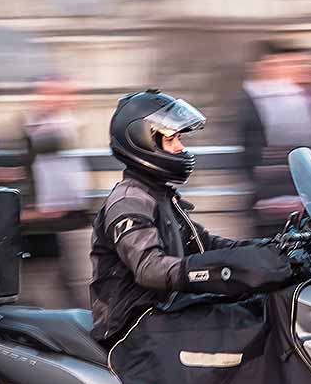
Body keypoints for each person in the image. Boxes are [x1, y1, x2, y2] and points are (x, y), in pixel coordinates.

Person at [89, 90, 297, 346]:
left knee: (254, 312)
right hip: (134, 331)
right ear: (142, 141)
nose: (180, 147)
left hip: (166, 314)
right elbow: (150, 269)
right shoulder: (129, 201)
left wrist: (275, 248)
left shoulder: (158, 194)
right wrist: (217, 271)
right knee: (243, 342)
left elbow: (205, 244)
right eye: (172, 138)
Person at [236, 41, 311, 236]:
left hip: (305, 203)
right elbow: (250, 154)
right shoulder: (256, 100)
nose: (304, 68)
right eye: (293, 63)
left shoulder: (310, 99)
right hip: (272, 205)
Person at [18, 78, 89, 309]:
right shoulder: (35, 126)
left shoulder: (71, 124)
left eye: (65, 94)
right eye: (52, 93)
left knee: (71, 282)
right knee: (49, 282)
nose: (58, 99)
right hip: (45, 217)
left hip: (68, 215)